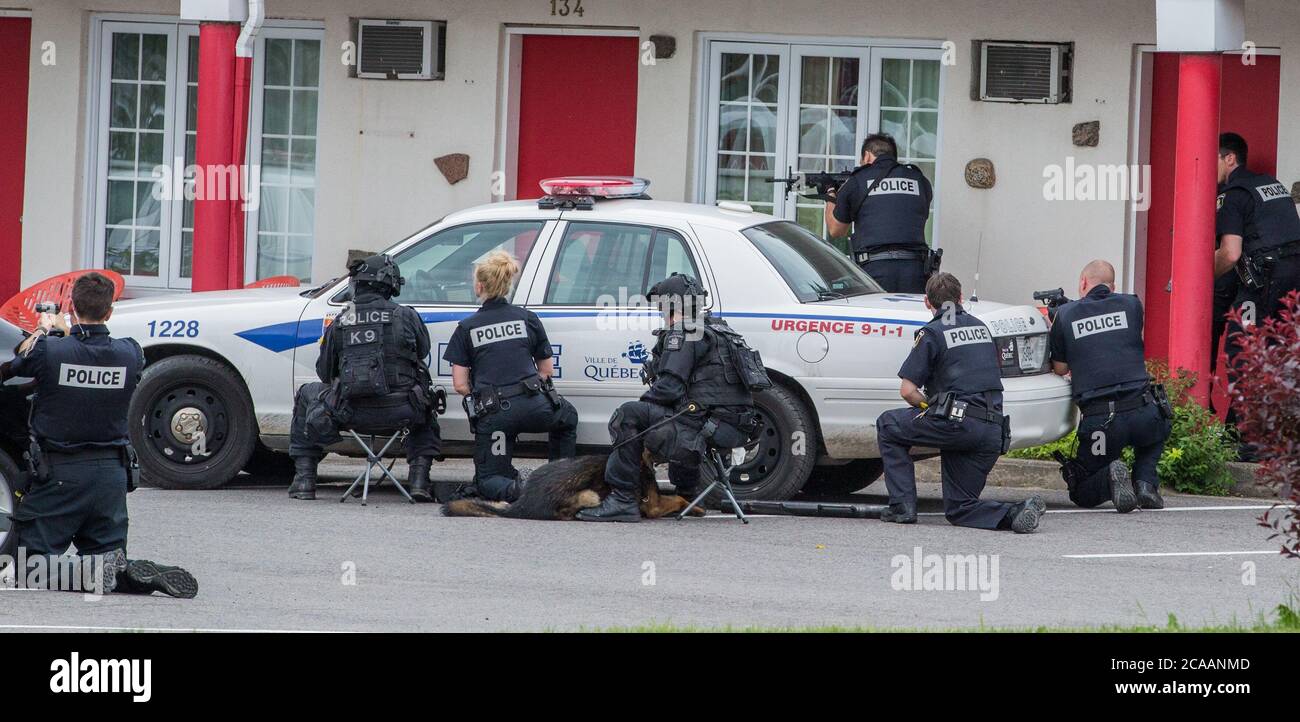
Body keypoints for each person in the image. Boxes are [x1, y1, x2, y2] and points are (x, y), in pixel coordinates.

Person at [0, 272, 197, 597]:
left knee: (27, 567)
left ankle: (91, 573)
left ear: (72, 308)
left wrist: (46, 328)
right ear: (110, 312)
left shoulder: (50, 351)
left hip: (61, 477)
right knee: (107, 558)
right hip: (111, 479)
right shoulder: (129, 353)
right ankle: (122, 572)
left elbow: (18, 360)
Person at [579, 273, 761, 523]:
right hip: (733, 429)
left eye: (662, 307)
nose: (661, 314)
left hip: (708, 428)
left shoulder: (684, 332)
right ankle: (687, 493)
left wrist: (643, 410)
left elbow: (669, 388)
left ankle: (622, 500)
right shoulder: (720, 329)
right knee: (683, 412)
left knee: (627, 415)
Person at [875, 272, 1043, 533]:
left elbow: (908, 391)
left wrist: (929, 407)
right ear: (961, 298)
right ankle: (1016, 512)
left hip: (958, 426)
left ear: (927, 303)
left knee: (888, 425)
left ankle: (902, 507)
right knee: (960, 508)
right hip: (992, 432)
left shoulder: (931, 332)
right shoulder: (982, 329)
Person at [288, 254, 442, 501]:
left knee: (307, 392)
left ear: (358, 284)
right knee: (425, 401)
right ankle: (419, 482)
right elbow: (423, 351)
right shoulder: (406, 316)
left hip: (351, 412)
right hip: (402, 411)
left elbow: (325, 373)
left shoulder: (341, 321)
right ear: (391, 285)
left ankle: (305, 481)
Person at [444, 251, 577, 503]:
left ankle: (520, 490)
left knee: (489, 479)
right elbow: (546, 371)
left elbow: (460, 385)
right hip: (536, 406)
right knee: (568, 419)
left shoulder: (467, 327)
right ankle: (560, 481)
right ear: (507, 285)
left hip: (496, 415)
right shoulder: (527, 318)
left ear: (480, 285)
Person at [1049, 260, 1170, 512]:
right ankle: (1146, 483)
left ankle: (1109, 478)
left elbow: (1060, 368)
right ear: (1113, 285)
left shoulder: (1066, 315)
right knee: (1158, 428)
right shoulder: (1132, 305)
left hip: (1102, 426)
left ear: (1083, 282)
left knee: (1081, 491)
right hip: (1143, 415)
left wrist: (1059, 325)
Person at [1214, 132, 1300, 443]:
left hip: (1263, 281)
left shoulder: (1232, 194)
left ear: (1229, 159)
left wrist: (1196, 274)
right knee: (1276, 353)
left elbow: (1231, 253)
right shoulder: (1272, 185)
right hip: (1291, 281)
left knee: (1241, 350)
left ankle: (1246, 438)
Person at [825, 133, 935, 293]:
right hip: (916, 271)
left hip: (874, 271)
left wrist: (829, 191)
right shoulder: (919, 180)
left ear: (867, 155)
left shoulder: (857, 180)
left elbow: (836, 230)